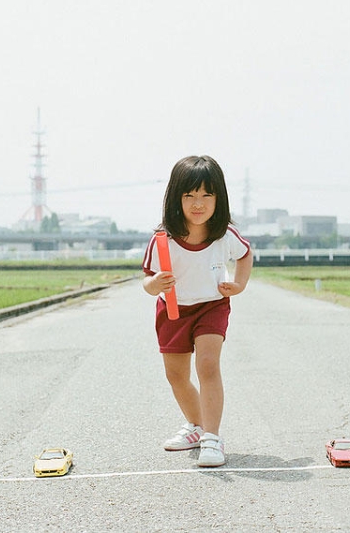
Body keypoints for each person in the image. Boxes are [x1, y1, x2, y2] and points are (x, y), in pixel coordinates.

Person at [141, 155, 253, 467]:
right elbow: (147, 282)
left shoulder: (224, 236)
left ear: (220, 198)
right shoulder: (162, 239)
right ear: (176, 198)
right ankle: (196, 425)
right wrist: (156, 284)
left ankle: (212, 439)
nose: (198, 203)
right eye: (189, 195)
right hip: (173, 309)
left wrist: (240, 284)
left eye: (207, 195)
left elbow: (245, 256)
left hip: (212, 306)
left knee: (207, 365)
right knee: (176, 376)